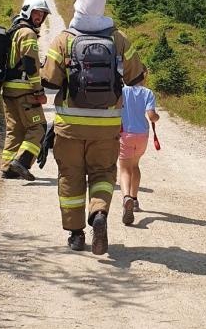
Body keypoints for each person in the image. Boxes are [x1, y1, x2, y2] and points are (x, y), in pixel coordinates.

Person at [41, 19, 144, 254]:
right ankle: (99, 213)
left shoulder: (64, 39)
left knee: (70, 177)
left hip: (70, 128)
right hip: (106, 128)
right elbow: (137, 77)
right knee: (103, 173)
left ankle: (76, 234)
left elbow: (49, 81)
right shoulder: (119, 39)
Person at [0, 0, 50, 180]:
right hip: (24, 91)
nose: (39, 17)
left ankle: (7, 168)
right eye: (36, 13)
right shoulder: (28, 33)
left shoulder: (14, 31)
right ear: (27, 11)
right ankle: (21, 162)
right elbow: (30, 64)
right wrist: (38, 91)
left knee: (15, 130)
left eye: (42, 14)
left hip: (8, 89)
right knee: (39, 127)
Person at [118, 72, 159, 226]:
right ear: (144, 76)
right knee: (135, 165)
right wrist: (157, 117)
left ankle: (126, 197)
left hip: (125, 134)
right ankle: (134, 200)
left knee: (125, 169)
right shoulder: (148, 93)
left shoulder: (121, 91)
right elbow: (152, 116)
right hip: (142, 135)